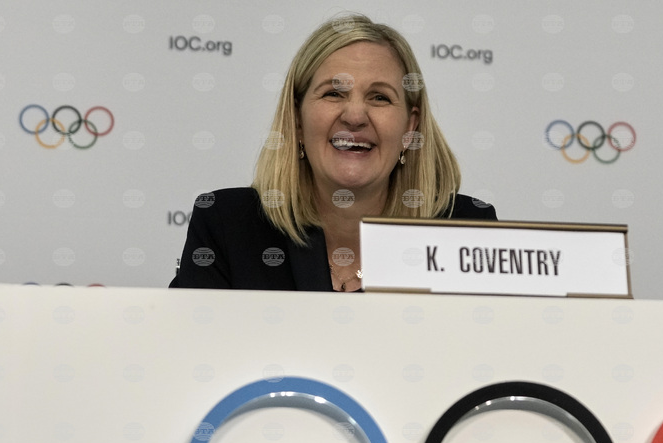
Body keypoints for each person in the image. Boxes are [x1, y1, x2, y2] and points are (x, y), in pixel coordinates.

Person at [170, 14, 496, 292]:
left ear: (410, 129)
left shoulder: (468, 231)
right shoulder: (227, 226)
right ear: (297, 120)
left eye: (379, 97)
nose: (355, 116)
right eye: (333, 93)